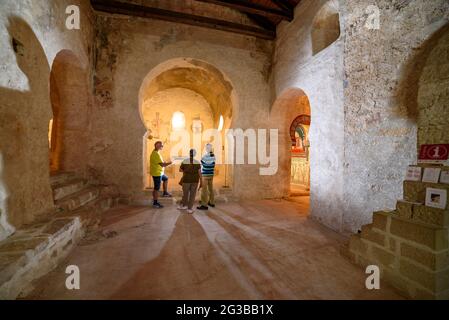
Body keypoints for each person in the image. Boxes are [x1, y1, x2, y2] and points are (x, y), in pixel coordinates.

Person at [178, 149, 202, 214]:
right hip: (195, 180)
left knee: (185, 194)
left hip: (186, 180)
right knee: (192, 195)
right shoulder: (197, 162)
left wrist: (186, 171)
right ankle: (190, 209)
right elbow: (200, 173)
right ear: (195, 154)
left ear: (189, 153)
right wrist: (201, 182)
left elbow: (180, 170)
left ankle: (184, 205)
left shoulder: (185, 161)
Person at [149, 141, 172, 208]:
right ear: (157, 146)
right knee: (156, 188)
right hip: (157, 173)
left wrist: (165, 162)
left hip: (160, 172)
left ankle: (165, 193)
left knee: (166, 178)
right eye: (161, 145)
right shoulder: (155, 154)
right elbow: (162, 165)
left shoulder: (157, 153)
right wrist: (170, 163)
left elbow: (160, 162)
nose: (162, 147)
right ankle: (155, 203)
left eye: (162, 145)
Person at [197, 143, 216, 211]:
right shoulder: (213, 156)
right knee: (210, 189)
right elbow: (212, 165)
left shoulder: (204, 156)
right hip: (211, 174)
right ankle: (212, 202)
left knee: (204, 190)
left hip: (205, 174)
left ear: (206, 148)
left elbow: (203, 164)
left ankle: (204, 204)